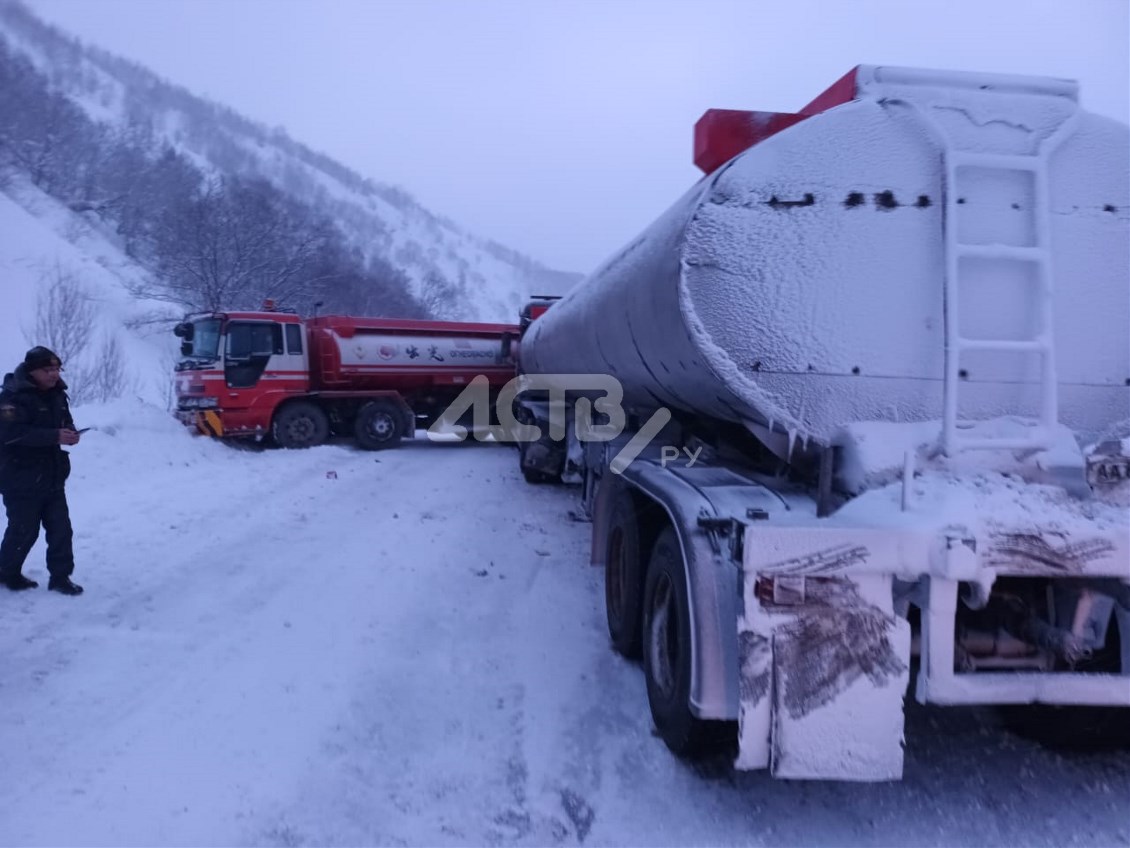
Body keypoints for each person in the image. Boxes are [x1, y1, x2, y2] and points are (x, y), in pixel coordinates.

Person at [0, 346, 84, 595]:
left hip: (52, 475)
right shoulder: (12, 398)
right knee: (24, 530)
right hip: (20, 477)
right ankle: (7, 572)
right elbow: (10, 435)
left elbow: (64, 420)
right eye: (48, 370)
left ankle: (61, 578)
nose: (54, 374)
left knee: (61, 529)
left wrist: (69, 432)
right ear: (33, 371)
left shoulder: (58, 394)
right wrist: (54, 435)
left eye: (57, 369)